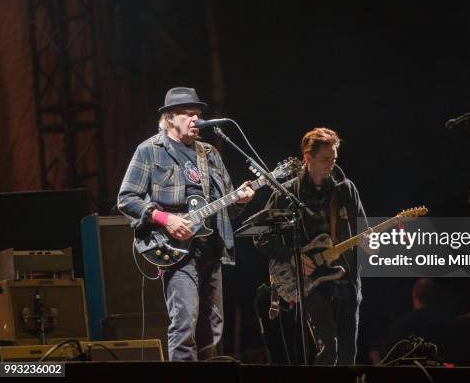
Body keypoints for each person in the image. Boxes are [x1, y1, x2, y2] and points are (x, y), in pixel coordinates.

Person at [117, 87, 255, 361]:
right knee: (184, 325)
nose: (196, 120)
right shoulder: (149, 151)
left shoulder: (210, 154)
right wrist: (165, 218)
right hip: (177, 252)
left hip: (212, 249)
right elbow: (126, 199)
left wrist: (240, 201)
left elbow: (225, 208)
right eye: (188, 114)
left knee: (213, 329)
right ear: (169, 118)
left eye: (199, 114)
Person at [254, 127, 368, 365]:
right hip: (311, 282)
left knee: (348, 353)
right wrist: (292, 255)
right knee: (328, 350)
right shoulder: (287, 192)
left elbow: (363, 231)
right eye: (325, 159)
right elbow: (260, 235)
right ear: (307, 157)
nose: (331, 165)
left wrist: (372, 242)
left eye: (334, 159)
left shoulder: (346, 189)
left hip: (347, 279)